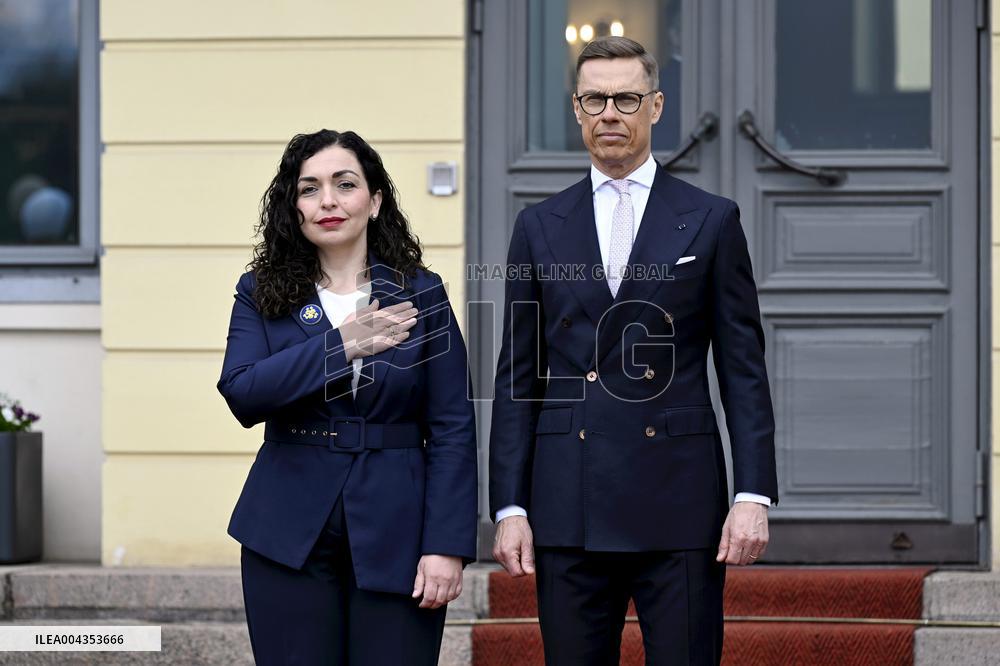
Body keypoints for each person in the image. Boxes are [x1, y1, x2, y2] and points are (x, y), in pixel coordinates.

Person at [489, 37, 778, 665]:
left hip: (679, 499)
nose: (610, 114)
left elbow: (743, 371)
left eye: (626, 99)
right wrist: (509, 505)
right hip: (568, 500)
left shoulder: (711, 219)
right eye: (595, 100)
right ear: (576, 108)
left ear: (656, 105)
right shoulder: (538, 226)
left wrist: (752, 495)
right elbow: (518, 377)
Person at [218, 129, 477, 665]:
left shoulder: (421, 292)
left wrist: (446, 544)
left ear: (375, 201)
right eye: (309, 189)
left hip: (400, 529)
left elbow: (452, 425)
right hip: (288, 529)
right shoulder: (259, 291)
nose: (328, 201)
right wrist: (342, 345)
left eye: (345, 184)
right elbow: (243, 392)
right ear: (294, 208)